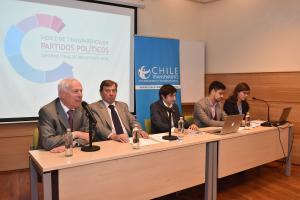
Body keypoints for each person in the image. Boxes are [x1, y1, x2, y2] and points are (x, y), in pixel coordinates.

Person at [38, 78, 90, 152]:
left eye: (81, 91)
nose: (80, 95)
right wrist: (74, 134)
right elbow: (48, 142)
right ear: (62, 94)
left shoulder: (83, 108)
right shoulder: (47, 111)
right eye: (75, 91)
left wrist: (73, 143)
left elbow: (89, 135)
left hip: (76, 152)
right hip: (51, 155)